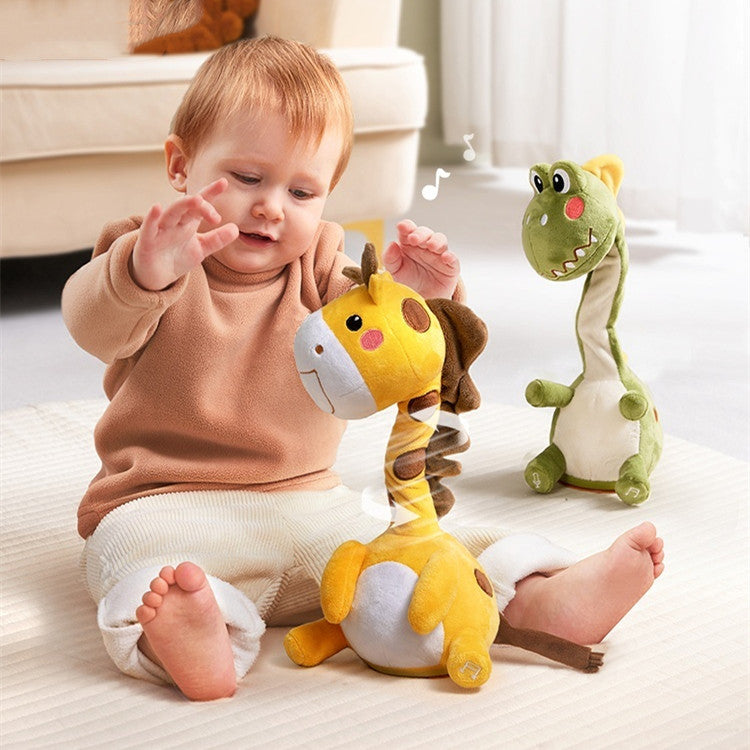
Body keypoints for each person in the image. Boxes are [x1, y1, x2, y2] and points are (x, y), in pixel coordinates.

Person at [62, 36, 664, 702]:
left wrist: (422, 299)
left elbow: (396, 361)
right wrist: (144, 271)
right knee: (136, 561)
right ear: (181, 165)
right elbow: (91, 324)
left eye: (302, 190)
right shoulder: (150, 253)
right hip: (165, 502)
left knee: (417, 551)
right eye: (247, 178)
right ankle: (197, 630)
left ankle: (533, 596)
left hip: (311, 509)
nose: (272, 206)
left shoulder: (323, 266)